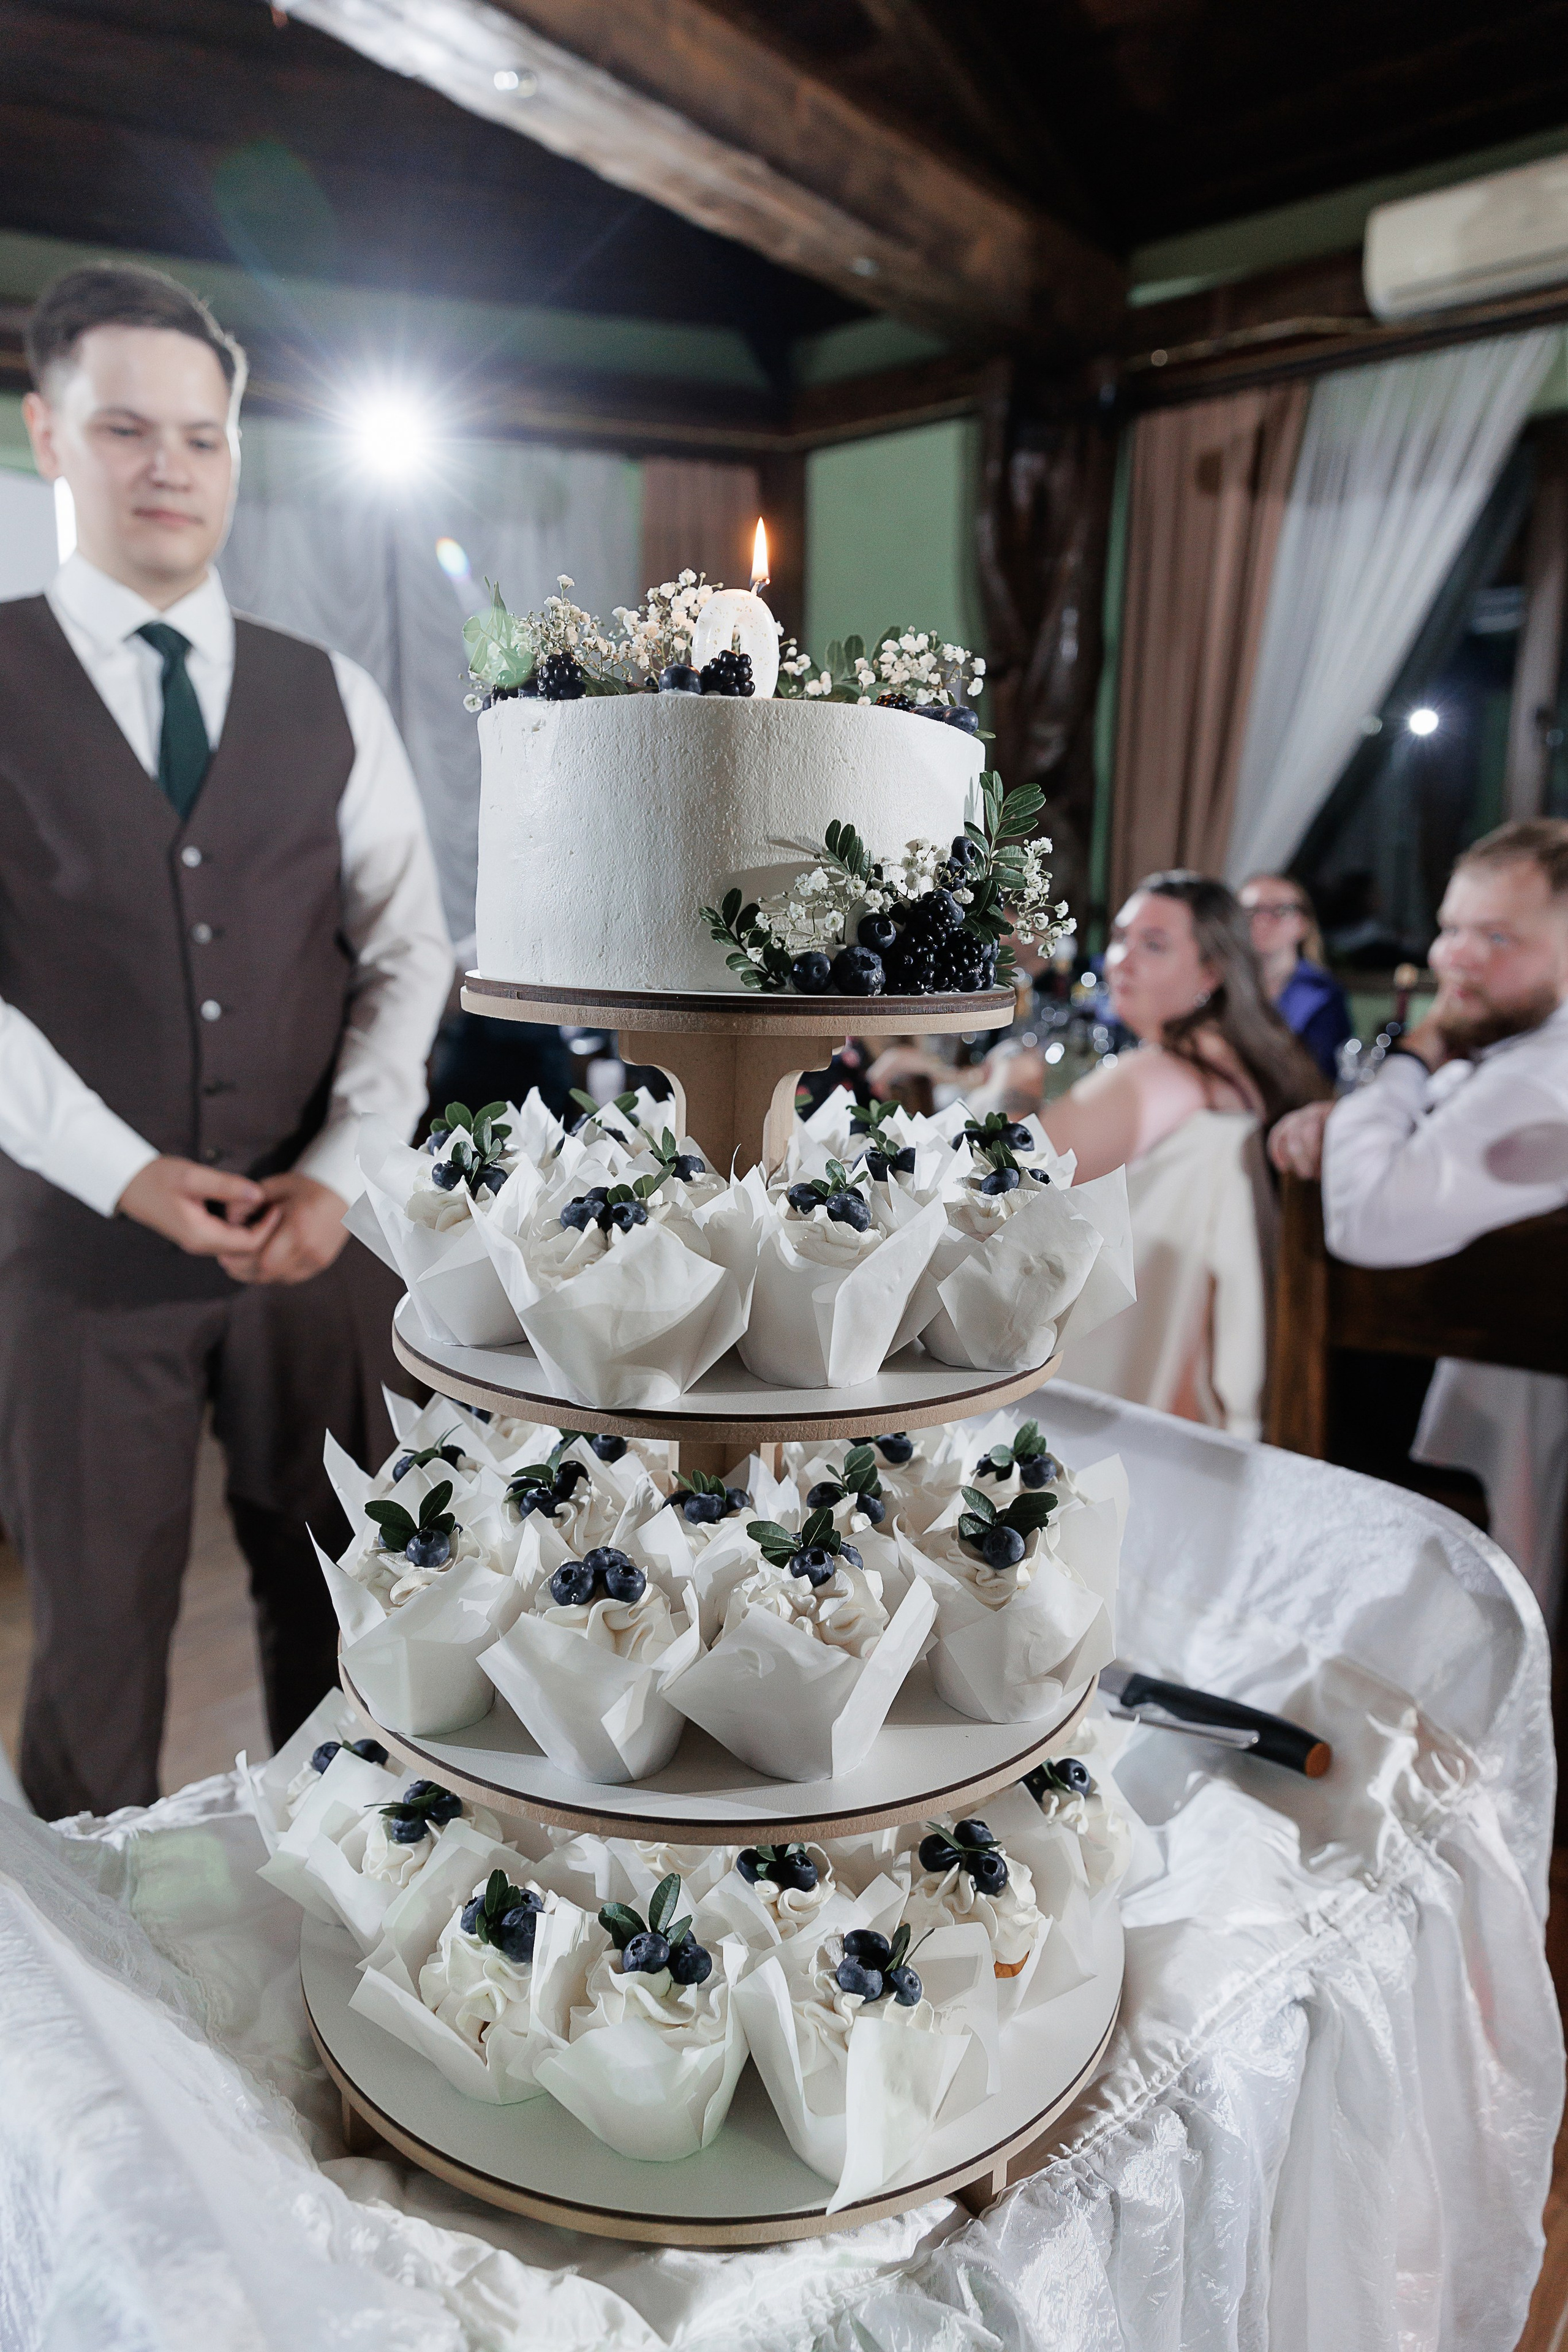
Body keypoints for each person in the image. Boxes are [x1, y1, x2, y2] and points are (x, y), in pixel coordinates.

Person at [0, 264, 453, 1817]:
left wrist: (339, 1171)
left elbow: (408, 950)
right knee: (95, 1657)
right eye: (125, 427)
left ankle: (349, 1937)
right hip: (75, 1251)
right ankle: (84, 2032)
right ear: (50, 435)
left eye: (200, 435)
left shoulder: (327, 692)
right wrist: (120, 1170)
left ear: (236, 453)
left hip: (314, 1248)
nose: (168, 466)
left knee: (351, 1619)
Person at [1269, 818, 1568, 1611]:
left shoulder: (1541, 1079)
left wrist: (1413, 1055)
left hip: (1445, 1493)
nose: (1450, 958)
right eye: (1450, 929)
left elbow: (1367, 1220)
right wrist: (1348, 1124)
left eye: (1496, 936)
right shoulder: (1517, 1053)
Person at [1043, 872, 1327, 1437]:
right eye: (1121, 937)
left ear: (1211, 972)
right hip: (1191, 1369)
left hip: (1112, 1387)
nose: (1120, 960)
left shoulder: (1158, 1077)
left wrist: (1002, 1088)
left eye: (1153, 945)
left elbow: (1011, 1181)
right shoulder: (1245, 1062)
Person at [1238, 873, 1352, 1080]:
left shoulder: (1322, 996)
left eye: (1280, 911)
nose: (1263, 921)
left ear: (1303, 924)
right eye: (1251, 911)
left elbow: (1321, 1074)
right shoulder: (1216, 985)